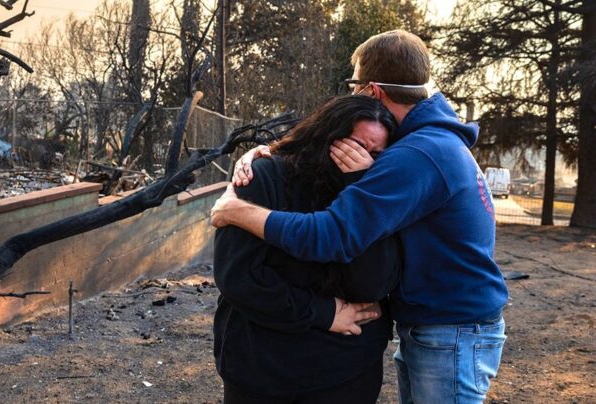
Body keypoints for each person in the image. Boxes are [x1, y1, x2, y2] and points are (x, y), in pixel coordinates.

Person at [211, 30, 508, 404]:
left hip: (451, 330)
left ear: (373, 90)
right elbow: (317, 140)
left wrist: (238, 211)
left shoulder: (418, 154)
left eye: (354, 86)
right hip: (441, 325)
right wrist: (265, 153)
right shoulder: (424, 141)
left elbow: (333, 234)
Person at [214, 95, 400, 403]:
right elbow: (238, 277)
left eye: (375, 154)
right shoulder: (263, 176)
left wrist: (361, 188)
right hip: (263, 369)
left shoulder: (377, 192)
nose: (362, 158)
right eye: (355, 146)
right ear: (327, 135)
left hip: (347, 370)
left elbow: (372, 284)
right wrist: (323, 312)